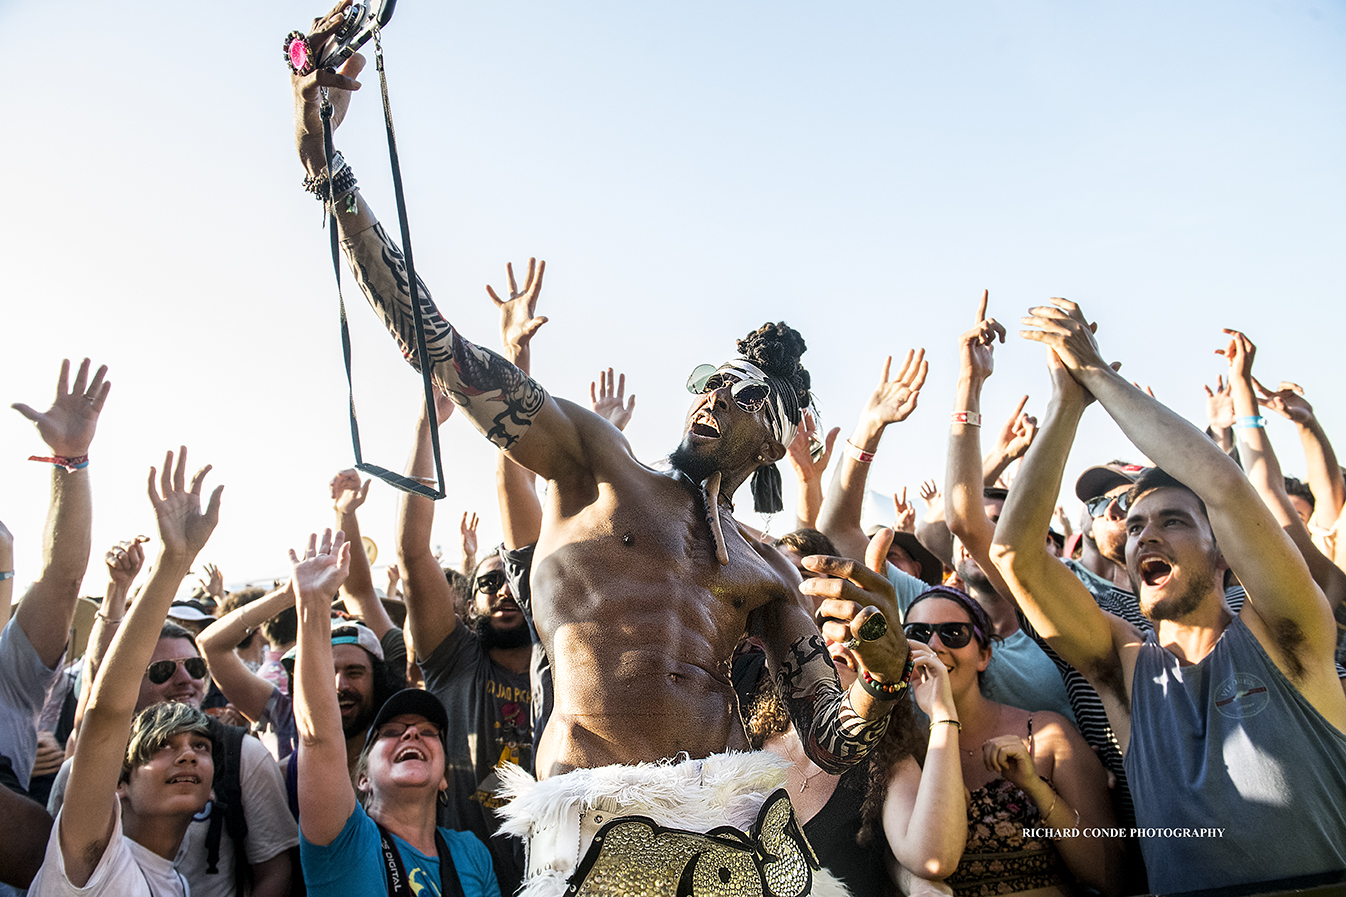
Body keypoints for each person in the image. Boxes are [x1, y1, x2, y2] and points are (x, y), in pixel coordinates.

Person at [290, 26, 911, 895]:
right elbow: (439, 345)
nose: (713, 397)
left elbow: (832, 739)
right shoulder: (597, 466)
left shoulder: (768, 566)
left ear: (776, 437)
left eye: (742, 393)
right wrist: (328, 168)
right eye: (709, 381)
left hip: (734, 828)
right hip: (594, 825)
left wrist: (883, 677)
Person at [990, 298, 1346, 891]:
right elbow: (1013, 554)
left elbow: (1227, 488)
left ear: (1223, 550)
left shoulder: (1291, 636)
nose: (1145, 533)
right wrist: (1064, 407)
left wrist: (1098, 374)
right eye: (1133, 527)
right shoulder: (1124, 674)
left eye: (1175, 520)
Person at [29, 448, 220, 896]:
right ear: (118, 785)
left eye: (201, 746)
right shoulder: (93, 864)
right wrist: (171, 563)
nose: (188, 755)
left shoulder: (174, 884)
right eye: (161, 747)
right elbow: (106, 715)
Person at [291, 530, 498, 897]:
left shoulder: (472, 853)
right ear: (362, 779)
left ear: (445, 777)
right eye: (390, 732)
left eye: (429, 732)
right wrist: (312, 604)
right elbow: (317, 737)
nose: (412, 734)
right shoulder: (344, 840)